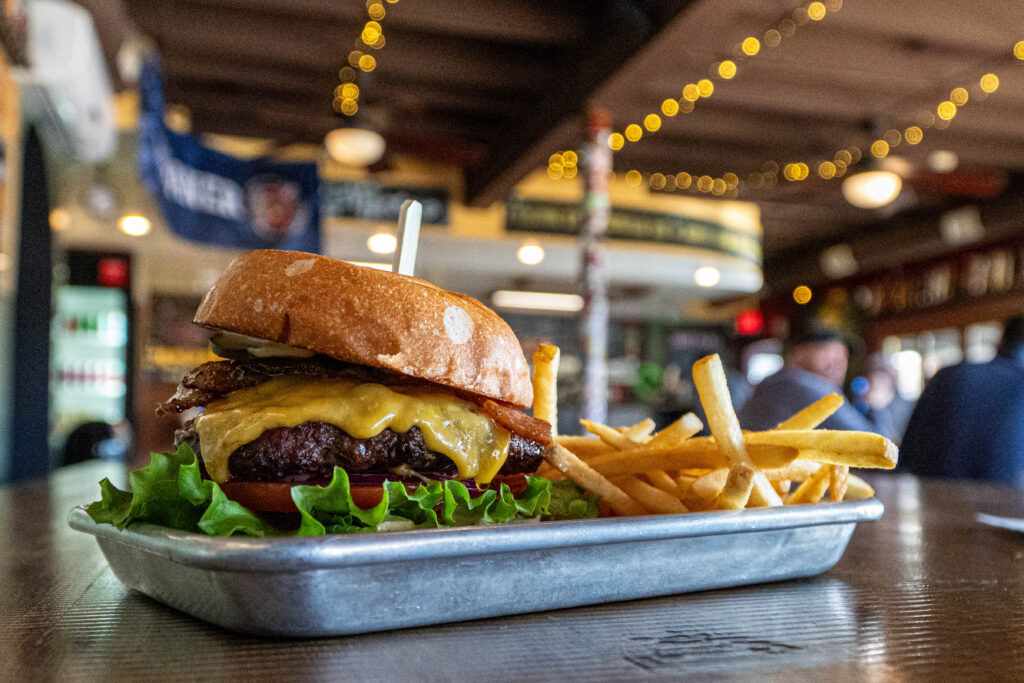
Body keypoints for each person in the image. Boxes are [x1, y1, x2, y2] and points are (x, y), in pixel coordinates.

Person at [899, 316, 1024, 488]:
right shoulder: (1019, 385)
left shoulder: (946, 375)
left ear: (1000, 342)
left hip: (923, 499)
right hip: (1000, 507)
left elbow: (904, 455)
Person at [738, 327, 895, 438]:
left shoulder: (774, 382)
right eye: (827, 353)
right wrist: (877, 403)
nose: (838, 363)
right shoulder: (804, 385)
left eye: (842, 356)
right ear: (797, 355)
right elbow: (878, 447)